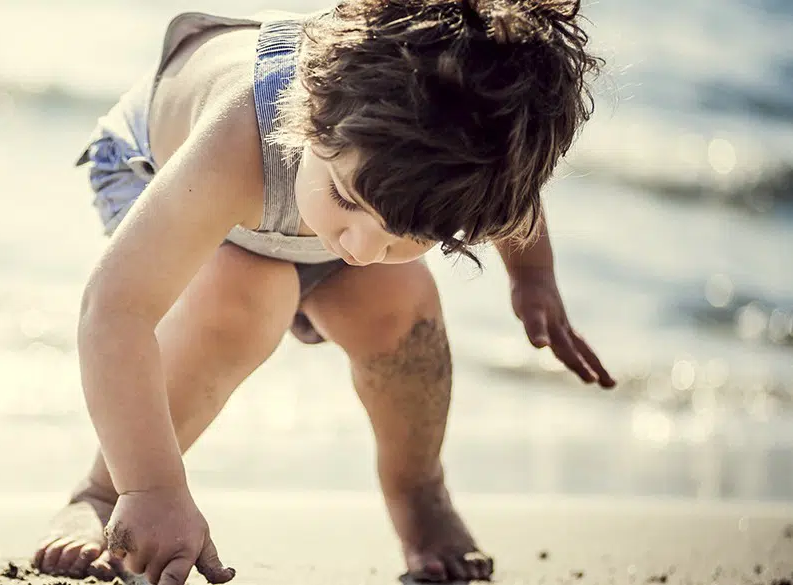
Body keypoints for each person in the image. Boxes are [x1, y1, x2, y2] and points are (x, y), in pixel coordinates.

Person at [32, 1, 614, 583]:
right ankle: (103, 492)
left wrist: (533, 279)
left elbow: (510, 195)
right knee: (252, 295)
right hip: (156, 175)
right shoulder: (241, 135)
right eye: (347, 200)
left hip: (303, 209)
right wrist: (152, 488)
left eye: (406, 234)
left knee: (401, 308)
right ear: (314, 112)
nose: (359, 248)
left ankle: (420, 498)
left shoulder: (449, 162)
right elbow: (115, 308)